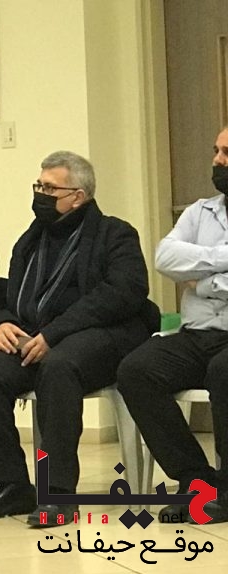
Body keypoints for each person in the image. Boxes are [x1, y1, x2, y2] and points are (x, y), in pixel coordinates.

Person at [0, 151, 159, 528]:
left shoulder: (115, 233)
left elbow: (123, 293)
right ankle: (12, 485)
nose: (40, 194)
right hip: (39, 337)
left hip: (102, 337)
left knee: (58, 366)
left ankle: (57, 492)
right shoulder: (31, 239)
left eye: (50, 188)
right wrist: (3, 323)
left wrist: (54, 334)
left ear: (78, 196)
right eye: (39, 185)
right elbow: (9, 294)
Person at [117, 127, 228, 524]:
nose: (217, 160)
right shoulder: (200, 212)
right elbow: (165, 258)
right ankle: (197, 480)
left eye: (226, 153)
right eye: (216, 150)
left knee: (224, 371)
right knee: (137, 370)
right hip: (197, 334)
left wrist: (204, 280)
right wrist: (223, 258)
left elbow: (188, 270)